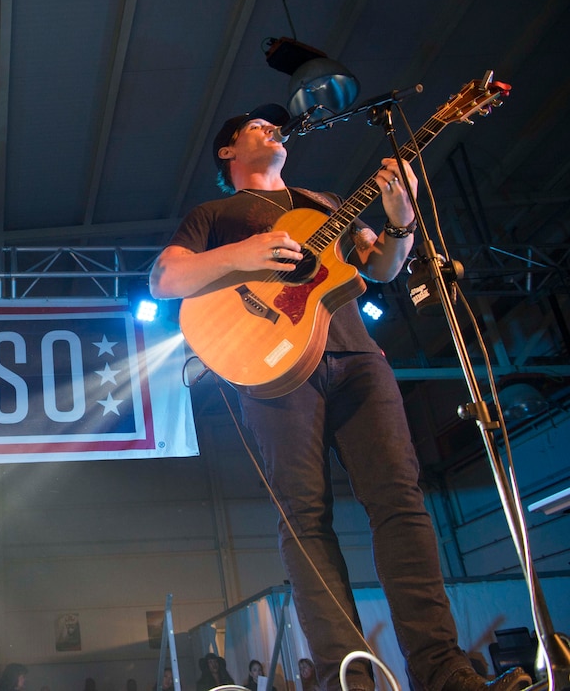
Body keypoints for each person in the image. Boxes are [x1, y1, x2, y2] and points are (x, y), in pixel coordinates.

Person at [149, 104, 533, 691]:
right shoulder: (216, 213)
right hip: (270, 363)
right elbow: (167, 279)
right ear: (227, 151)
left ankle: (443, 669)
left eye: (275, 125)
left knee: (401, 502)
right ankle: (346, 681)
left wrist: (401, 223)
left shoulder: (324, 202)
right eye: (255, 125)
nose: (271, 128)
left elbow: (380, 269)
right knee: (305, 517)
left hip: (356, 357)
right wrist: (244, 256)